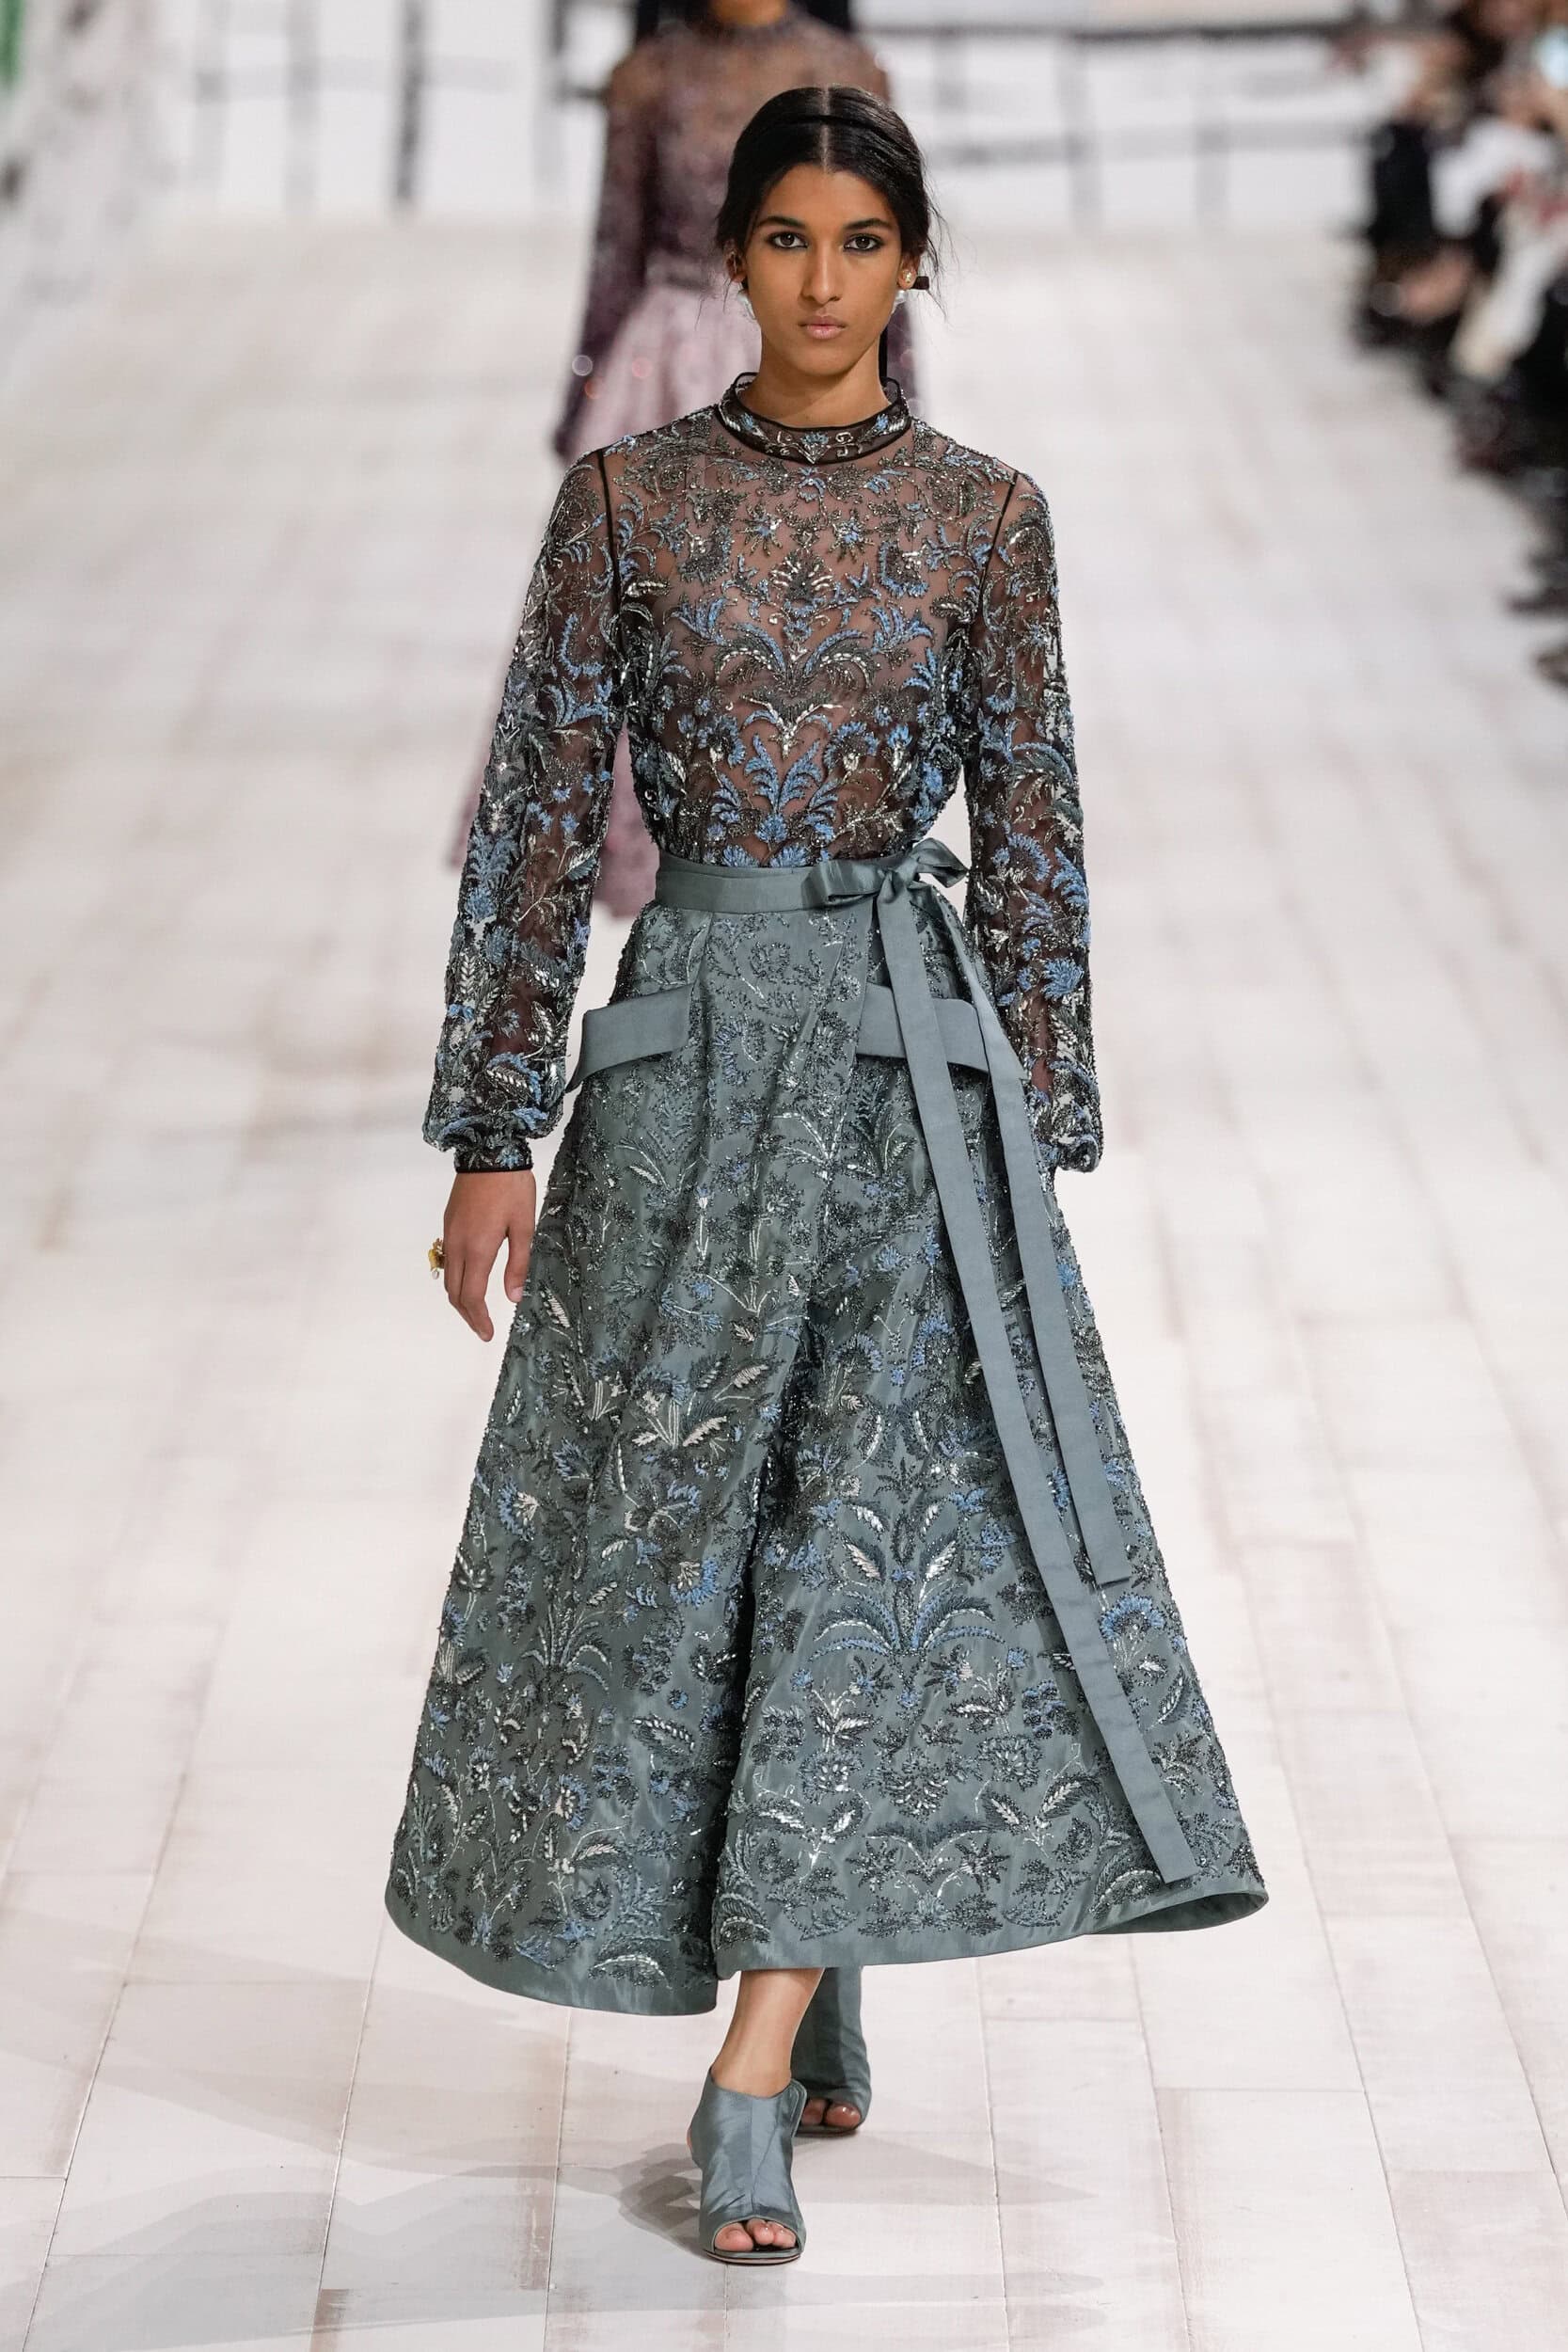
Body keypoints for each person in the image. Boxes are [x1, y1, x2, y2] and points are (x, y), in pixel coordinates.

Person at [388, 83, 1269, 2267]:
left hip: (902, 1082)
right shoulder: (625, 504)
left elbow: (1038, 823)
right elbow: (536, 828)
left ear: (914, 264)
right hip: (687, 1075)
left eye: (862, 243)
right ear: (737, 256)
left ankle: (752, 2063)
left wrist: (1040, 1121)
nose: (821, 280)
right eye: (786, 238)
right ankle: (821, 1944)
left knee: (857, 1531)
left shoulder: (985, 519)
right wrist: (494, 1128)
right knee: (690, 1536)